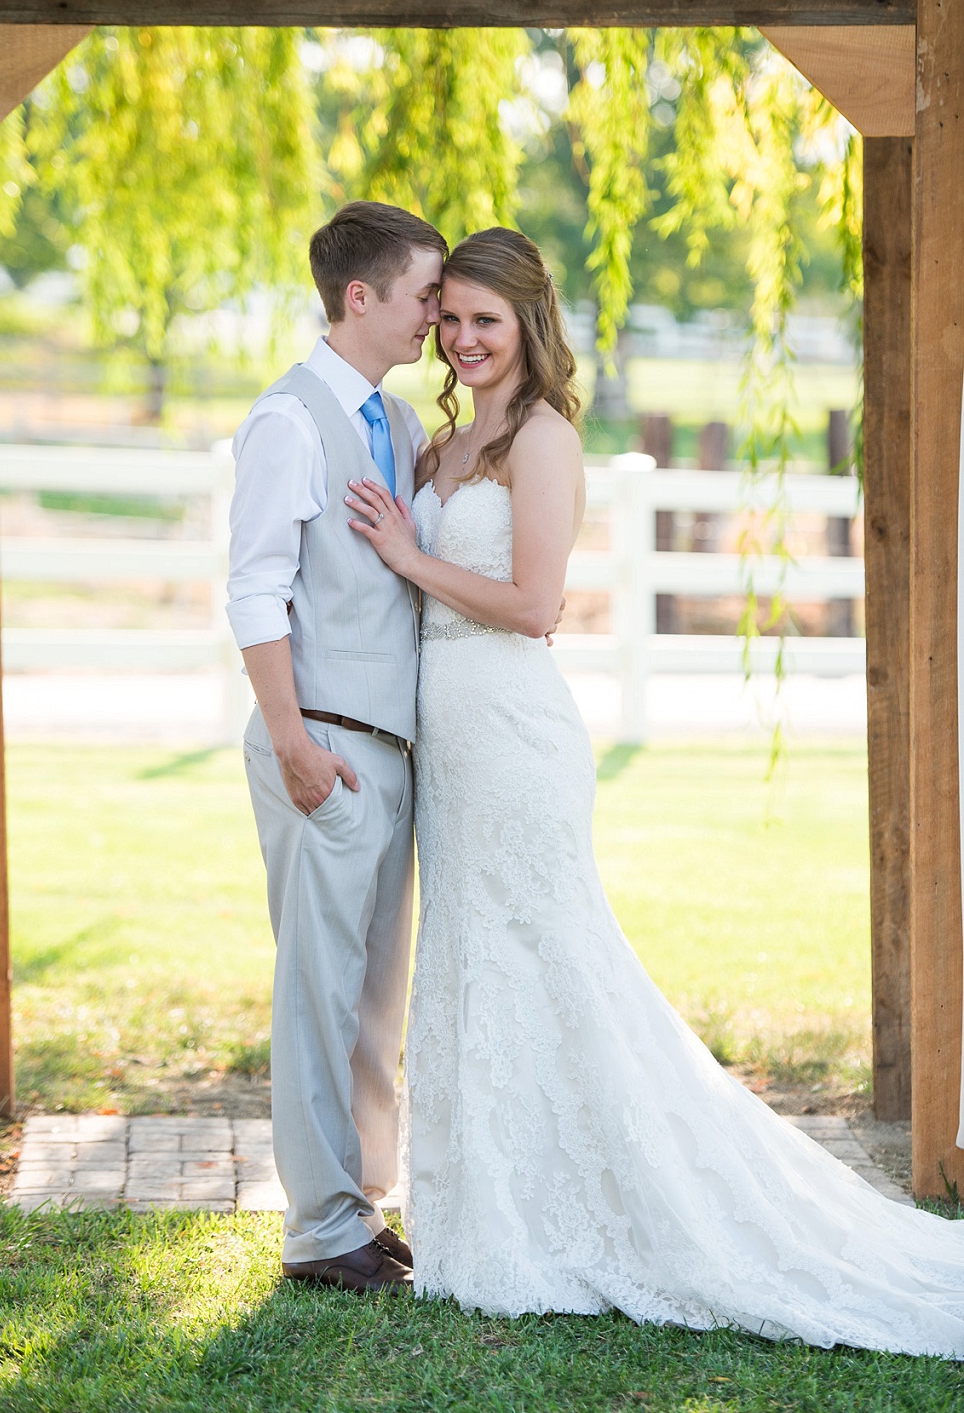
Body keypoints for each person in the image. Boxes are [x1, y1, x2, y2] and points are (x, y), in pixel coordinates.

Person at [344, 226, 964, 1354]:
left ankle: (619, 1205)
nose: (463, 337)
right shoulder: (439, 444)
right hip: (449, 739)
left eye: (487, 319)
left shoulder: (540, 439)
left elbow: (534, 603)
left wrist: (408, 557)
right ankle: (494, 1214)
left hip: (515, 733)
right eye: (452, 317)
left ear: (528, 325)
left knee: (547, 956)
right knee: (479, 962)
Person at [227, 199, 443, 1295]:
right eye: (420, 296)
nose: (432, 318)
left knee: (371, 992)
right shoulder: (287, 420)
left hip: (389, 745)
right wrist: (290, 738)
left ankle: (357, 1196)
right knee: (316, 986)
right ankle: (317, 1228)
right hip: (322, 744)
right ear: (358, 296)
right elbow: (255, 587)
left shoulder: (397, 429)